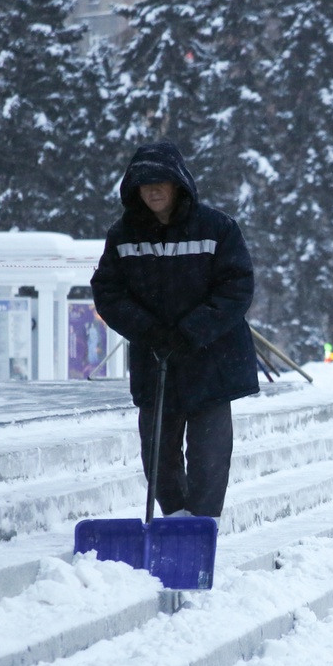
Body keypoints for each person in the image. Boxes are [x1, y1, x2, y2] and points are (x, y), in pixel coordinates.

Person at [91, 140, 258, 519]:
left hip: (212, 363)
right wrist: (150, 332)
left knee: (209, 459)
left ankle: (201, 527)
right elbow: (108, 292)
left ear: (178, 183)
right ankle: (175, 520)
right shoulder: (123, 235)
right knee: (158, 456)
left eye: (160, 182)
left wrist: (190, 331)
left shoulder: (218, 228)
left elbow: (237, 288)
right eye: (143, 183)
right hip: (156, 363)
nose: (151, 190)